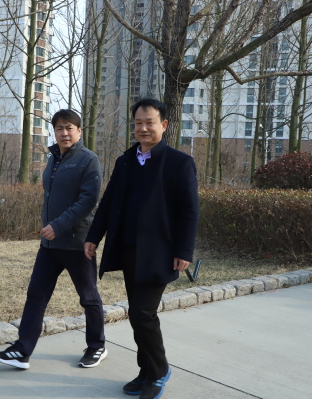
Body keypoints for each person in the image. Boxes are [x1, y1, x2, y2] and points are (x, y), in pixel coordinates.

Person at [84, 98, 199, 399]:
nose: (143, 128)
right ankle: (145, 370)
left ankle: (159, 371)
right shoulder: (125, 161)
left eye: (150, 122)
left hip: (160, 252)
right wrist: (94, 237)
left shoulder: (178, 162)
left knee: (142, 313)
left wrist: (184, 250)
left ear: (164, 125)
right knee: (139, 315)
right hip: (129, 249)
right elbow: (108, 202)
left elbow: (189, 211)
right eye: (138, 123)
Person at [0, 109, 107, 370]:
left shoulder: (89, 160)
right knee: (36, 295)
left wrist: (58, 225)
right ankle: (22, 351)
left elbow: (88, 200)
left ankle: (97, 346)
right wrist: (50, 228)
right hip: (50, 245)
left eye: (69, 128)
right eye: (59, 128)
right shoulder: (53, 158)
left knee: (88, 297)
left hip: (77, 243)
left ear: (79, 131)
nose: (64, 133)